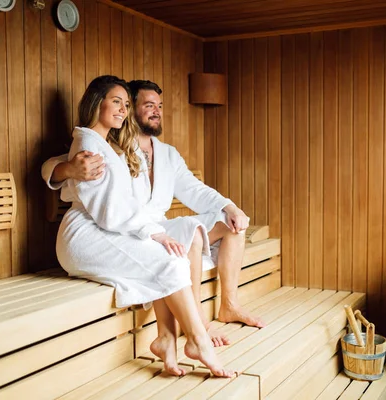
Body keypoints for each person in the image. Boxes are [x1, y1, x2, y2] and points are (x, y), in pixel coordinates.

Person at [42, 80, 265, 347]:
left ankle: (229, 305)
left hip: (157, 225)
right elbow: (52, 164)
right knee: (191, 237)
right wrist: (67, 170)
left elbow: (194, 189)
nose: (157, 111)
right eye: (148, 105)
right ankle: (197, 324)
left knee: (232, 225)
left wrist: (229, 206)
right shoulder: (113, 143)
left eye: (159, 106)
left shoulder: (167, 154)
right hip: (132, 229)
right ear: (131, 109)